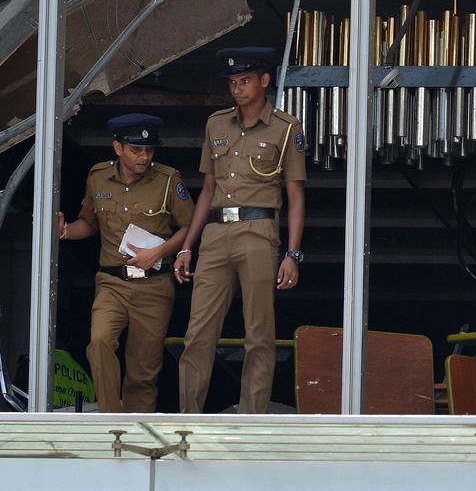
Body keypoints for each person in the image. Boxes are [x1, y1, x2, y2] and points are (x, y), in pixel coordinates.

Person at [176, 47, 307, 414]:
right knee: (197, 334)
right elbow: (208, 189)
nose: (238, 89)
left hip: (259, 230)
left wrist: (292, 255)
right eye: (233, 82)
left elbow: (295, 196)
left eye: (245, 80)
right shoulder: (216, 124)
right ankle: (189, 419)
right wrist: (187, 246)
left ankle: (252, 420)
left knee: (259, 335)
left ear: (264, 81)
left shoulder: (286, 127)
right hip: (216, 234)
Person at [58, 114, 194, 412]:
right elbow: (89, 223)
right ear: (118, 147)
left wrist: (158, 253)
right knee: (100, 343)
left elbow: (189, 226)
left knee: (142, 373)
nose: (144, 157)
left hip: (155, 286)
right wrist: (66, 231)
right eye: (136, 150)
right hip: (112, 283)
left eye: (148, 150)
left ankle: (135, 438)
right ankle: (111, 419)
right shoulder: (97, 177)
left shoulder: (169, 180)